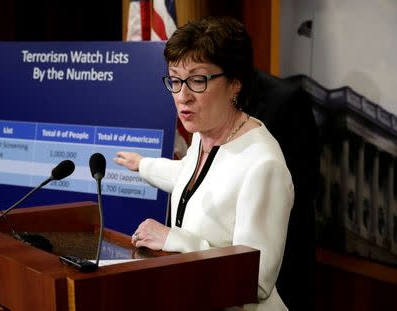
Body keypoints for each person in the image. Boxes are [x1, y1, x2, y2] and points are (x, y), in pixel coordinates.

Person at [114, 16, 294, 311]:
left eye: (197, 80)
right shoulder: (204, 134)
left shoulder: (263, 165)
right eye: (174, 80)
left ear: (235, 83)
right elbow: (195, 179)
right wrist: (143, 164)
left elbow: (257, 279)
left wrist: (176, 239)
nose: (182, 96)